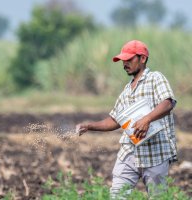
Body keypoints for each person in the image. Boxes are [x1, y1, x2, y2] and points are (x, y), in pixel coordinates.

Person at [76, 40, 177, 199]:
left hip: (155, 152)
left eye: (129, 60)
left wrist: (147, 119)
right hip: (130, 151)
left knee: (158, 197)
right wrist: (89, 126)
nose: (125, 64)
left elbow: (168, 103)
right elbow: (115, 120)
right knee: (117, 195)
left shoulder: (155, 78)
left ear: (142, 59)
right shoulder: (127, 90)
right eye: (123, 60)